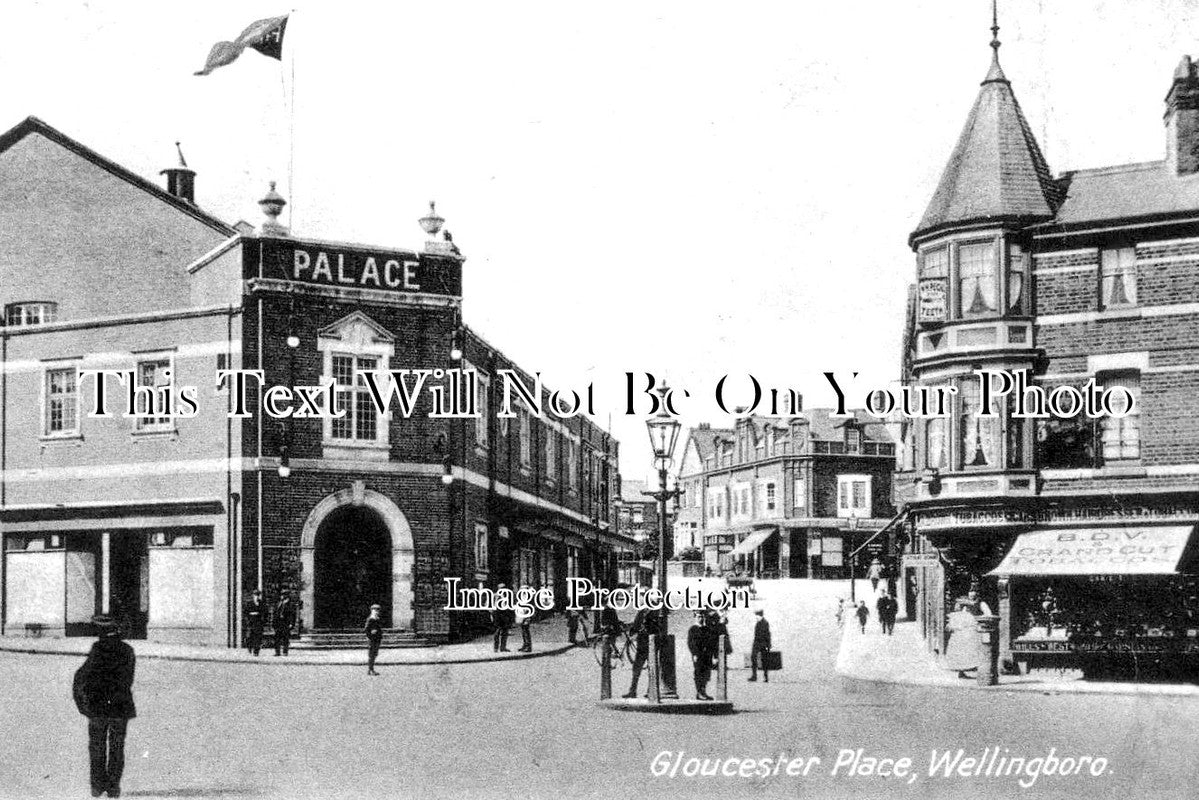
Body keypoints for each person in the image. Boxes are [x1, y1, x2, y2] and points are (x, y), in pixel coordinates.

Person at [73, 614, 136, 798]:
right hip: (120, 706)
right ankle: (114, 787)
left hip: (98, 707)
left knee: (97, 746)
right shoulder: (128, 650)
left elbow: (83, 676)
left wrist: (84, 701)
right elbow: (128, 679)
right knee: (117, 747)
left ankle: (97, 786)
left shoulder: (97, 649)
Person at [945, 588, 993, 678]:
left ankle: (979, 670)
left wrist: (978, 618)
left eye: (973, 592)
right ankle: (961, 671)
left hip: (974, 630)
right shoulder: (965, 604)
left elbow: (988, 614)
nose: (971, 594)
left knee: (976, 650)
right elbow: (961, 616)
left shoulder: (981, 604)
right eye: (970, 592)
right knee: (962, 650)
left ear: (977, 594)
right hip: (964, 631)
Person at [621, 607, 655, 699]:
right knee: (636, 669)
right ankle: (633, 691)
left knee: (651, 669)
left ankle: (650, 691)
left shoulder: (656, 612)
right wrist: (633, 633)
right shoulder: (642, 611)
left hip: (651, 645)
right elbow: (636, 625)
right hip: (642, 645)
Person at [686, 612, 715, 701]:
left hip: (707, 655)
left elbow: (711, 642)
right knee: (699, 673)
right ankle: (699, 692)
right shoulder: (693, 629)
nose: (701, 619)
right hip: (698, 655)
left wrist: (713, 655)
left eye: (702, 617)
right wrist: (694, 654)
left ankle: (703, 691)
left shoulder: (707, 629)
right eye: (699, 617)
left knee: (706, 674)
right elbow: (690, 643)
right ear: (695, 618)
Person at [748, 608, 772, 682]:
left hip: (763, 644)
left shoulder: (765, 623)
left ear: (760, 615)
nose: (756, 617)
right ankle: (754, 676)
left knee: (764, 660)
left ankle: (765, 677)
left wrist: (768, 644)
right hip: (757, 643)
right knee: (753, 658)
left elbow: (768, 634)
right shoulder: (759, 623)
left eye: (757, 615)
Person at [273, 591, 296, 657]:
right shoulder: (279, 603)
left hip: (286, 623)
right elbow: (276, 613)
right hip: (278, 623)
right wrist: (274, 622)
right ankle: (277, 652)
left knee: (285, 638)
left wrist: (291, 623)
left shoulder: (290, 604)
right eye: (281, 595)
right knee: (277, 638)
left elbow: (292, 615)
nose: (281, 596)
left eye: (283, 595)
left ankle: (285, 652)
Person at [244, 589, 266, 656]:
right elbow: (245, 612)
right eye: (255, 595)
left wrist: (263, 620)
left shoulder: (261, 603)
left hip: (258, 622)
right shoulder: (249, 603)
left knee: (258, 637)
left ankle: (256, 651)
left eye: (257, 595)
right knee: (250, 636)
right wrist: (247, 620)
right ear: (253, 596)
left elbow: (264, 612)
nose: (256, 597)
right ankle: (249, 647)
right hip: (251, 622)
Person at [491, 583, 511, 652]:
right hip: (499, 615)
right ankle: (498, 647)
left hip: (501, 615)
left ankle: (501, 647)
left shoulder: (496, 596)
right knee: (499, 631)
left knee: (503, 631)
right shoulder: (496, 596)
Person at [365, 603, 384, 675]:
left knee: (374, 654)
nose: (377, 611)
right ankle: (370, 669)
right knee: (372, 654)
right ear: (372, 610)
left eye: (378, 610)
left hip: (377, 639)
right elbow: (366, 629)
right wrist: (370, 634)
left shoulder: (377, 619)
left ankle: (370, 669)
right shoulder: (370, 619)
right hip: (372, 639)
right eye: (375, 610)